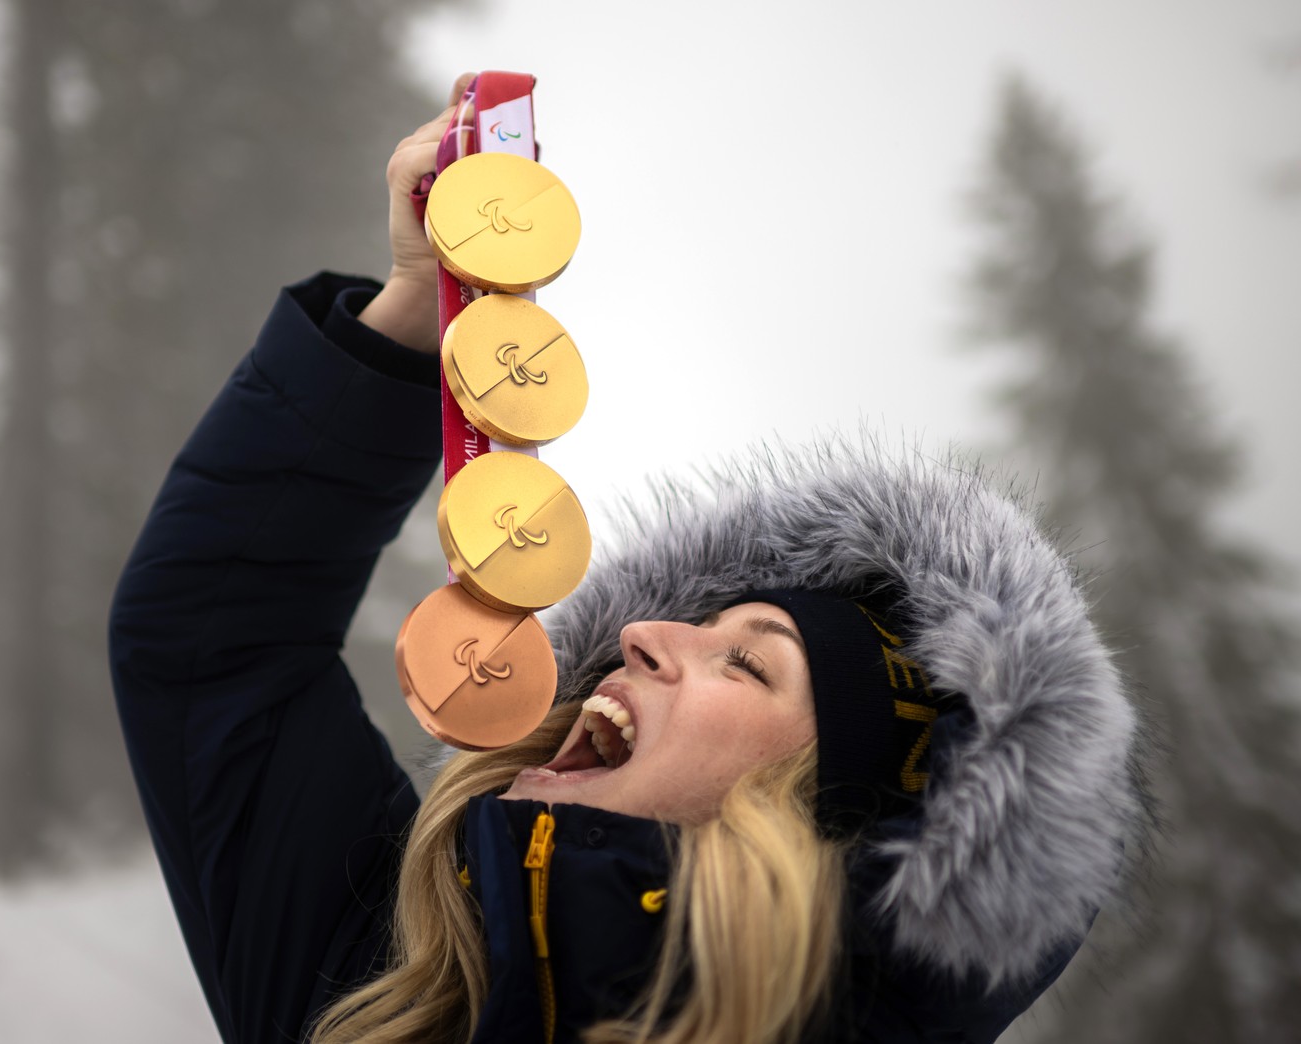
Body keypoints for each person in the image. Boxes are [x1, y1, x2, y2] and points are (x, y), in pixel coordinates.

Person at [108, 75, 1147, 1043]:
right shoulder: (391, 971)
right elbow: (213, 637)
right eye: (700, 630)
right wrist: (420, 321)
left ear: (817, 830)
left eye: (748, 663)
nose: (640, 638)